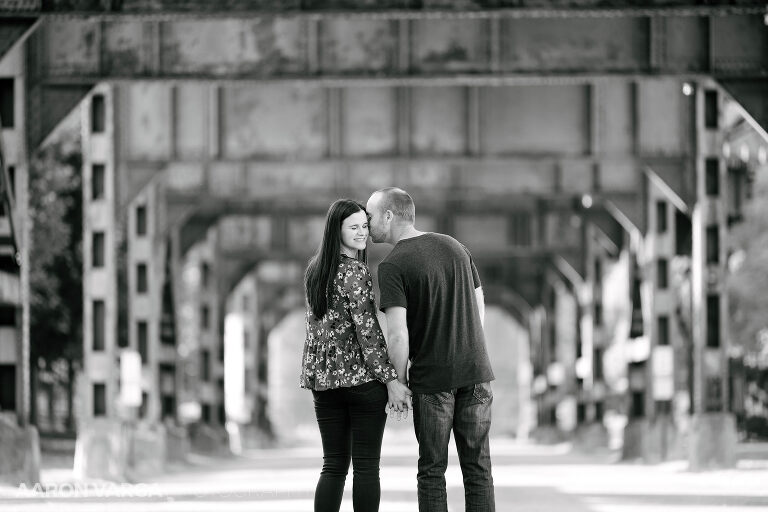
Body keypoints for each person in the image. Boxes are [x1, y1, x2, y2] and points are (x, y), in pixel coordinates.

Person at [366, 187, 496, 512]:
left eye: (369, 217)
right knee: (478, 469)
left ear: (388, 215)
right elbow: (479, 303)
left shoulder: (393, 264)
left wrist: (397, 382)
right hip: (477, 373)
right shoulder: (455, 247)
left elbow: (398, 335)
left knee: (432, 471)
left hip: (434, 379)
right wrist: (466, 341)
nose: (366, 225)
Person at [300, 198, 412, 512]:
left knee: (333, 466)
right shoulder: (355, 271)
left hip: (325, 385)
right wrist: (391, 381)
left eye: (365, 225)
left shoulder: (315, 271)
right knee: (365, 467)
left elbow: (317, 331)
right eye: (354, 227)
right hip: (362, 383)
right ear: (337, 230)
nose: (362, 233)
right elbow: (368, 333)